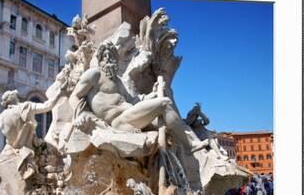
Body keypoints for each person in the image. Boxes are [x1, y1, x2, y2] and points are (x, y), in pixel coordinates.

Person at [70, 41, 208, 153]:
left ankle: (183, 152)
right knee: (165, 103)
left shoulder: (117, 81)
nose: (108, 58)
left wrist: (152, 94)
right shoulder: (94, 74)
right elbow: (75, 96)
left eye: (112, 55)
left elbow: (132, 101)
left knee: (167, 124)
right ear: (100, 58)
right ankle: (190, 146)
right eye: (105, 55)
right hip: (118, 121)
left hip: (131, 115)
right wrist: (79, 115)